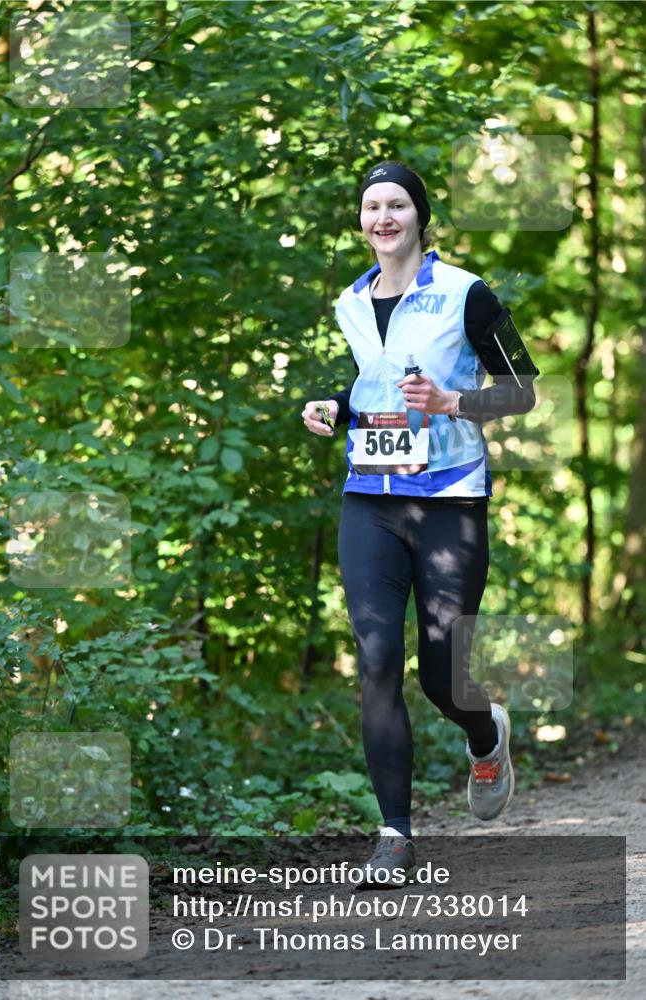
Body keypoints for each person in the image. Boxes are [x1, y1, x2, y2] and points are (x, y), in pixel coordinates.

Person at [301, 161, 540, 887]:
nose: (383, 217)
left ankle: (483, 733)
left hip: (450, 501)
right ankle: (394, 835)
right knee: (375, 660)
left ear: (418, 216)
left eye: (395, 204)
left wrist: (451, 406)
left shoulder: (465, 294)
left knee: (442, 676)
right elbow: (374, 383)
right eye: (371, 205)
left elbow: (522, 392)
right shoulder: (348, 301)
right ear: (360, 220)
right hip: (367, 499)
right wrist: (333, 408)